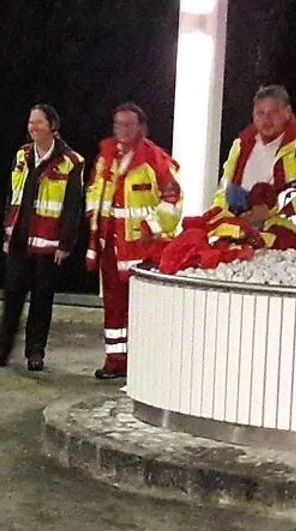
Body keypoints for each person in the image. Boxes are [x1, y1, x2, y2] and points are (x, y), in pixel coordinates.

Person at [85, 103, 182, 380]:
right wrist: (94, 217)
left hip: (143, 249)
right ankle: (115, 361)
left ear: (141, 127)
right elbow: (93, 190)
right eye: (118, 125)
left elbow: (173, 200)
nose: (123, 130)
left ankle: (143, 363)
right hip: (110, 246)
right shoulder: (106, 157)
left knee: (142, 309)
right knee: (113, 307)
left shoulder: (156, 159)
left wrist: (150, 226)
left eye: (128, 124)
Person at [0, 104, 84, 371]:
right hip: (19, 238)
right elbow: (12, 194)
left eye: (38, 123)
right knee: (12, 298)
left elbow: (74, 207)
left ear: (53, 126)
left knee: (42, 300)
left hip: (49, 243)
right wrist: (7, 231)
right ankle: (2, 351)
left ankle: (35, 353)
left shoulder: (71, 161)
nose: (33, 127)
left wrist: (66, 243)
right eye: (30, 123)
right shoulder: (23, 154)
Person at [211, 85, 296, 249]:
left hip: (286, 236)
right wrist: (221, 217)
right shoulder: (241, 145)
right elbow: (223, 190)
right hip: (239, 230)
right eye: (260, 113)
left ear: (287, 112)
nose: (266, 120)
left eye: (273, 112)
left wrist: (272, 208)